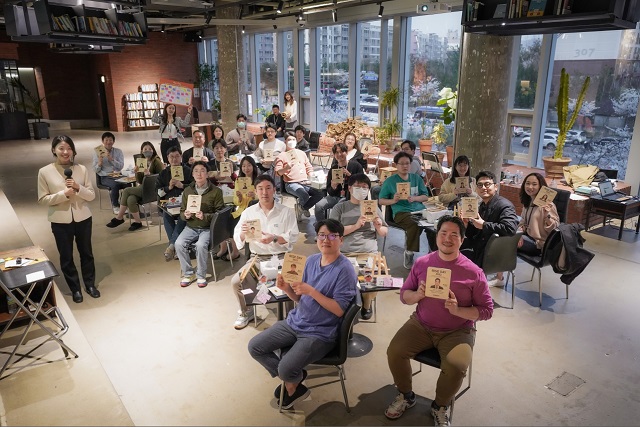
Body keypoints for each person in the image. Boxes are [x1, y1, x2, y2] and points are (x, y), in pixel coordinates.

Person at [385, 215, 493, 426]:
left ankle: (440, 405)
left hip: (458, 330)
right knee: (394, 352)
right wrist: (417, 296)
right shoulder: (423, 263)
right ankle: (406, 395)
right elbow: (405, 294)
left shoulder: (474, 272)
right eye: (443, 233)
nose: (448, 239)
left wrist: (458, 310)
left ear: (462, 240)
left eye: (454, 235)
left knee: (456, 365)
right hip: (421, 323)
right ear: (436, 237)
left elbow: (487, 310)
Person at [248, 219, 357, 409]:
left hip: (320, 332)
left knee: (285, 368)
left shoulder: (345, 270)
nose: (326, 240)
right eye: (322, 235)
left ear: (341, 240)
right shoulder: (312, 260)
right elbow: (299, 299)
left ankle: (290, 379)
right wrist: (287, 289)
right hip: (296, 321)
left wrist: (311, 291)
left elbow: (339, 310)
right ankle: (294, 379)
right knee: (255, 347)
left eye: (332, 236)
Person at [231, 174, 299, 329]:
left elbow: (293, 237)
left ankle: (290, 317)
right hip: (258, 258)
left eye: (268, 188)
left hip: (282, 257)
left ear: (274, 190)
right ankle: (246, 311)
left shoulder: (286, 211)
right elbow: (238, 240)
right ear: (255, 192)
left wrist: (274, 238)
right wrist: (242, 233)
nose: (264, 192)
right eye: (260, 189)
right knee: (236, 282)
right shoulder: (248, 212)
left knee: (290, 281)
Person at [38, 135, 100, 304]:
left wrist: (78, 187)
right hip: (60, 221)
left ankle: (90, 284)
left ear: (73, 150)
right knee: (66, 257)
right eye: (61, 148)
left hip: (83, 218)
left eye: (69, 148)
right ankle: (75, 289)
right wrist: (63, 195)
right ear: (54, 150)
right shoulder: (44, 172)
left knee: (87, 253)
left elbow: (92, 195)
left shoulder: (81, 169)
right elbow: (43, 199)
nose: (65, 152)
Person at [330, 173, 388, 320]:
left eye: (365, 187)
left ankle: (366, 304)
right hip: (344, 253)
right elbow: (332, 232)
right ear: (349, 188)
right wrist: (356, 226)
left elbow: (384, 232)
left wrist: (378, 226)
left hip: (368, 252)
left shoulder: (373, 207)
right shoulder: (340, 207)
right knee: (340, 277)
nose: (362, 189)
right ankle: (345, 303)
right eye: (358, 186)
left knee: (373, 275)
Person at [460, 170, 518, 287]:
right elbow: (474, 233)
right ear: (476, 189)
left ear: (495, 187)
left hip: (493, 254)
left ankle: (468, 289)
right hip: (482, 247)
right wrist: (466, 224)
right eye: (480, 185)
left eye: (487, 184)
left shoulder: (504, 205)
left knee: (453, 254)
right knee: (450, 244)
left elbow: (510, 228)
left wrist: (484, 225)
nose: (483, 188)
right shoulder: (482, 205)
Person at [175, 161, 224, 288]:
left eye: (202, 170)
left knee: (201, 245)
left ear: (207, 174)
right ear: (192, 174)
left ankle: (201, 275)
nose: (199, 173)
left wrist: (205, 216)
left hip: (207, 228)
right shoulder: (188, 190)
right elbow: (181, 212)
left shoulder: (216, 191)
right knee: (178, 244)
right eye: (196, 171)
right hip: (191, 226)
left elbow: (220, 214)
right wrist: (185, 215)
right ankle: (188, 273)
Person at [379, 151, 431, 266]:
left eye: (407, 163)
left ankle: (433, 253)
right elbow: (381, 200)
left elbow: (425, 197)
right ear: (396, 165)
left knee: (434, 224)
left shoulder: (416, 178)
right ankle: (409, 252)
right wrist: (393, 200)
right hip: (401, 213)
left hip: (419, 210)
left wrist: (415, 198)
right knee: (415, 223)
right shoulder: (390, 181)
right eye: (401, 163)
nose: (405, 166)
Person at [106, 141, 164, 232]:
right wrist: (137, 172)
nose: (147, 151)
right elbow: (139, 181)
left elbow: (161, 178)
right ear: (141, 151)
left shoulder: (157, 161)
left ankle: (119, 217)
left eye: (150, 149)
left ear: (153, 150)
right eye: (145, 149)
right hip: (143, 187)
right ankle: (138, 222)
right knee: (131, 199)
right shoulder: (142, 162)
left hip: (152, 190)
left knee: (126, 191)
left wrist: (149, 175)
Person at [157, 146, 193, 262]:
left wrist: (182, 186)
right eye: (171, 157)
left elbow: (195, 188)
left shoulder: (188, 171)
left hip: (185, 203)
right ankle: (177, 248)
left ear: (181, 157)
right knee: (167, 214)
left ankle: (172, 246)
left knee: (183, 215)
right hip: (169, 204)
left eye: (177, 156)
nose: (174, 159)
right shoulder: (163, 174)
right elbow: (158, 192)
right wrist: (169, 187)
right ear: (167, 158)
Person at [275, 133, 323, 219]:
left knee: (320, 193)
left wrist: (312, 175)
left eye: (293, 140)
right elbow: (278, 172)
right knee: (304, 194)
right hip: (291, 183)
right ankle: (304, 208)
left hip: (305, 182)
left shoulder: (302, 153)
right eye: (289, 140)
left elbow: (308, 167)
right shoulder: (282, 155)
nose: (291, 142)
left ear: (296, 141)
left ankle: (302, 208)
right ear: (285, 141)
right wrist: (286, 168)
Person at [315, 142, 363, 222]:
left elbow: (362, 184)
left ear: (346, 152)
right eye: (337, 152)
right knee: (318, 206)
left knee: (337, 208)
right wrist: (333, 186)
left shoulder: (356, 166)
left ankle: (334, 228)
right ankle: (322, 226)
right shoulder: (333, 169)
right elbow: (329, 191)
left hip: (349, 197)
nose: (339, 154)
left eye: (342, 152)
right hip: (335, 196)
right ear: (334, 155)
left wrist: (350, 176)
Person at [517, 172, 560, 256]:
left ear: (541, 186)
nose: (530, 187)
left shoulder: (548, 205)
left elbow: (554, 228)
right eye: (527, 183)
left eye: (534, 184)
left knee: (506, 242)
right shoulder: (528, 202)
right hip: (525, 236)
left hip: (538, 244)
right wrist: (518, 233)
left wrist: (547, 215)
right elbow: (522, 222)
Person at [93, 131, 127, 215]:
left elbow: (120, 166)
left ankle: (125, 205)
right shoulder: (97, 152)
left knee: (128, 184)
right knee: (115, 185)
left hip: (117, 175)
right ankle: (115, 206)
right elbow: (95, 170)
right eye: (106, 140)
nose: (108, 142)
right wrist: (100, 163)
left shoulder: (118, 151)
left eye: (110, 140)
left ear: (113, 141)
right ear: (103, 141)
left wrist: (112, 160)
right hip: (105, 176)